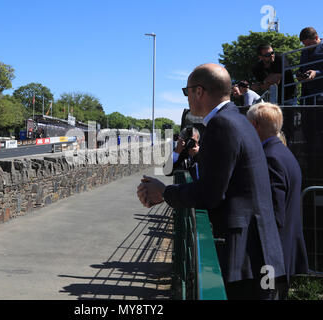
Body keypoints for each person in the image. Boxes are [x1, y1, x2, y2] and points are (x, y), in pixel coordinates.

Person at [137, 63, 286, 300]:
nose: (187, 99)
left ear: (199, 91)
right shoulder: (237, 119)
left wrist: (164, 192)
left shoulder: (222, 124)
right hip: (260, 253)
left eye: (186, 92)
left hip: (246, 256)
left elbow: (210, 193)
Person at [246, 102, 309, 299]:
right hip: (284, 253)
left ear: (255, 125)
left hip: (270, 258)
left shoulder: (268, 158)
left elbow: (272, 215)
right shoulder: (285, 154)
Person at [298, 27, 323, 105]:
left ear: (316, 38)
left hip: (320, 94)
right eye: (304, 44)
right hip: (306, 96)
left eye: (308, 44)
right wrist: (299, 74)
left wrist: (316, 73)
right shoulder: (304, 51)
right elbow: (301, 68)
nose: (306, 47)